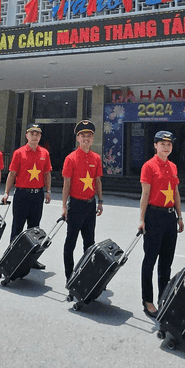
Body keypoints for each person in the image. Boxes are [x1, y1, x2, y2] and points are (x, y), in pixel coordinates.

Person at [137, 130, 184, 319]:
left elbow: (176, 193)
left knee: (166, 262)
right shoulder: (149, 166)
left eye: (169, 144)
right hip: (154, 216)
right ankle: (147, 300)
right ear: (155, 146)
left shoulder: (173, 166)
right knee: (150, 260)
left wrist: (180, 216)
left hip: (170, 218)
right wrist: (141, 219)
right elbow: (145, 194)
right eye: (162, 144)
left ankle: (163, 298)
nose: (166, 147)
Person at [61, 120, 103, 281]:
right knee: (70, 242)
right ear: (78, 138)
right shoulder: (71, 158)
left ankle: (87, 274)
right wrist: (64, 206)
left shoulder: (96, 158)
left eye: (89, 136)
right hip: (76, 205)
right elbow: (66, 184)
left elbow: (98, 181)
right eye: (83, 135)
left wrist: (100, 201)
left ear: (93, 139)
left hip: (90, 205)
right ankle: (69, 276)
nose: (86, 138)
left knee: (90, 242)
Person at [1, 124, 52, 252]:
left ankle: (31, 258)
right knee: (17, 226)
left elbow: (47, 174)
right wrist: (6, 192)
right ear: (26, 136)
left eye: (37, 134)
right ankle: (12, 256)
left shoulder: (44, 153)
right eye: (32, 134)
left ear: (40, 137)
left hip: (37, 195)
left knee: (34, 229)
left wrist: (48, 191)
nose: (34, 137)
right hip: (22, 195)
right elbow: (12, 174)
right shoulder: (19, 153)